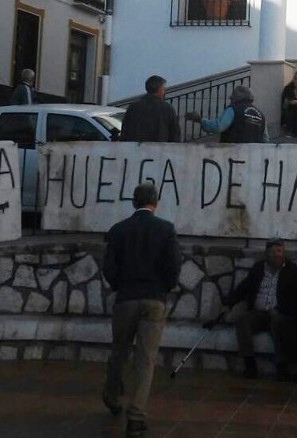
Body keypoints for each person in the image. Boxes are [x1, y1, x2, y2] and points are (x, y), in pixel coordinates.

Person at [101, 183, 182, 437]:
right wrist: (164, 288)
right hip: (154, 299)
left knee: (120, 351)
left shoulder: (118, 230)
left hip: (126, 297)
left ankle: (113, 395)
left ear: (134, 202)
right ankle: (136, 416)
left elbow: (109, 268)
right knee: (145, 360)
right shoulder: (166, 229)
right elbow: (173, 266)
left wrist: (119, 285)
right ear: (155, 202)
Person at [223, 239, 297, 380]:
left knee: (277, 322)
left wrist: (279, 309)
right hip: (259, 312)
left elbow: (296, 298)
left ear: (284, 252)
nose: (276, 255)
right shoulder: (258, 268)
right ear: (266, 253)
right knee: (243, 320)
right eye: (272, 251)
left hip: (279, 313)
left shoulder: (292, 271)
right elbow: (244, 287)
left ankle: (281, 365)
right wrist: (228, 303)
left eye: (279, 251)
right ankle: (249, 363)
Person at [186, 85, 268, 143]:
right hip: (252, 158)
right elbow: (265, 139)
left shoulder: (233, 109)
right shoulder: (260, 115)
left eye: (231, 98)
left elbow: (218, 127)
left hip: (232, 155)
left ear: (235, 98)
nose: (230, 100)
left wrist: (200, 119)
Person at [119, 75, 180, 143]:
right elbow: (174, 134)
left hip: (136, 149)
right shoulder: (167, 108)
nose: (164, 92)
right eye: (163, 89)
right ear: (159, 89)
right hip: (160, 149)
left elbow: (125, 131)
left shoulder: (133, 107)